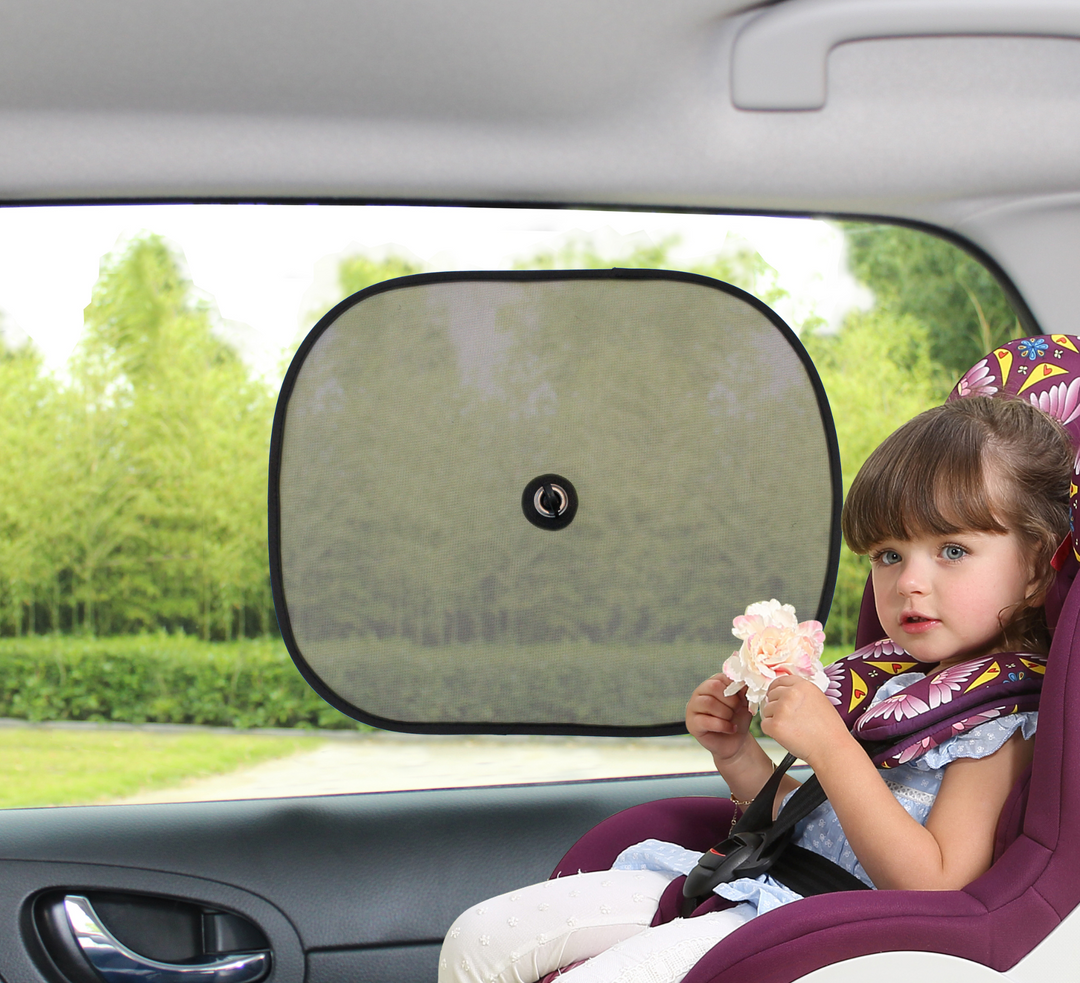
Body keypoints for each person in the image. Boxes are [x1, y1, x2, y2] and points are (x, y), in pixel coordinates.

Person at [439, 395, 1074, 983]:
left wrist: (831, 746)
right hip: (758, 882)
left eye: (953, 551)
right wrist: (741, 757)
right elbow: (820, 824)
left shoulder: (1000, 721)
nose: (909, 581)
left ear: (1032, 568)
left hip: (822, 931)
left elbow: (936, 887)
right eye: (887, 554)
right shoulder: (902, 683)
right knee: (477, 938)